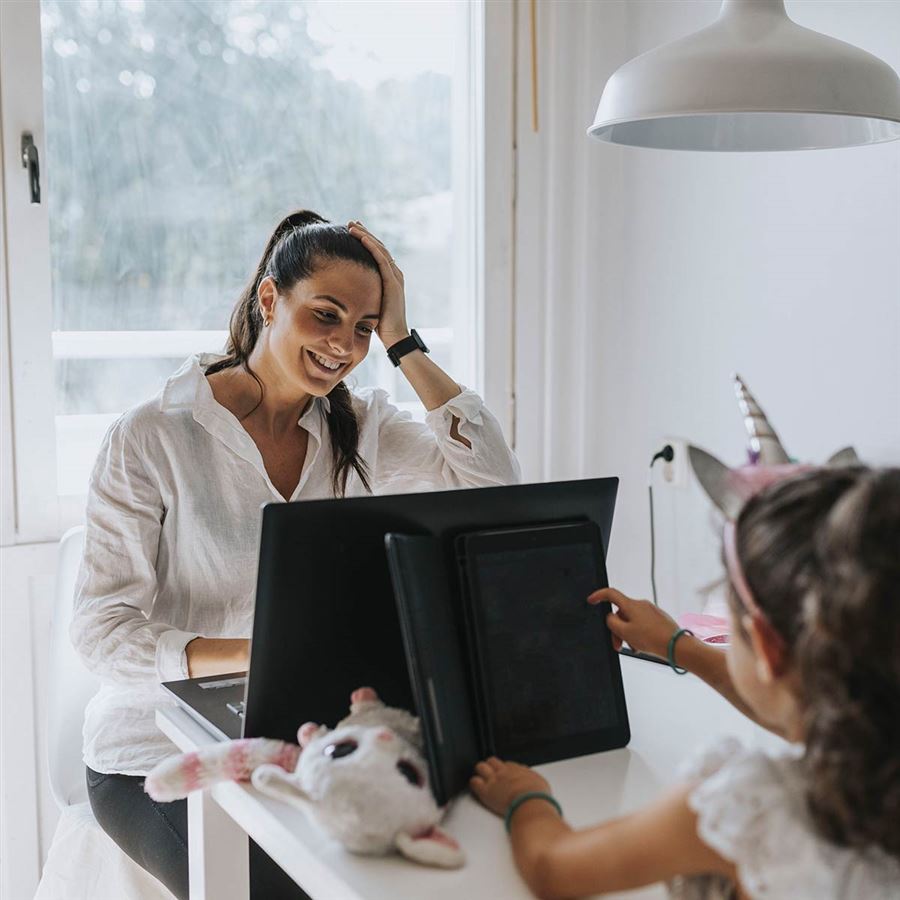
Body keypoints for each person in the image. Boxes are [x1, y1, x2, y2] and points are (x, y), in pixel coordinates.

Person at [71, 210, 520, 899]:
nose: (343, 345)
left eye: (363, 327)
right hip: (155, 751)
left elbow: (491, 486)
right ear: (270, 300)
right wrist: (261, 650)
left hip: (302, 739)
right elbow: (102, 636)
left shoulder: (362, 427)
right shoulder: (152, 437)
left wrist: (403, 341)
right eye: (327, 315)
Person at [470, 467, 900, 899]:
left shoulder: (754, 813)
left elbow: (554, 868)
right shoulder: (876, 756)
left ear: (767, 648)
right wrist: (677, 646)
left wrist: (525, 799)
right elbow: (812, 715)